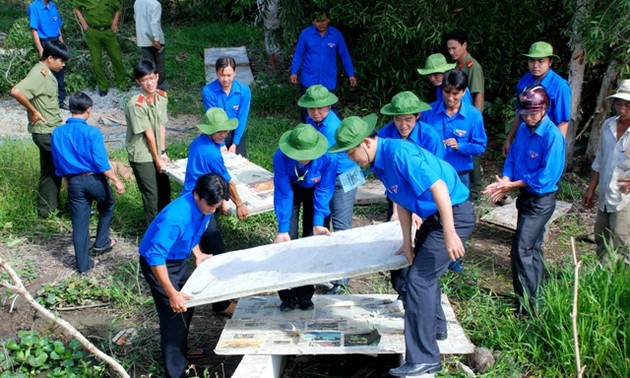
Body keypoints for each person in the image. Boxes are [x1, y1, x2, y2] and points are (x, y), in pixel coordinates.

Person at [329, 114, 475, 377]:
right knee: (422, 273)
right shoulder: (380, 163)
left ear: (365, 143)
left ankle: (424, 359)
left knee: (418, 281)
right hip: (432, 219)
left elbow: (439, 187)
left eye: (351, 153)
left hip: (452, 213)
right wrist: (407, 243)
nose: (351, 159)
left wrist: (451, 232)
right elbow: (403, 201)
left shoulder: (398, 154)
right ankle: (437, 328)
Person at [482, 85, 565, 313]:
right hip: (526, 198)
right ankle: (540, 294)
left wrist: (513, 185)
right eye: (524, 114)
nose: (528, 118)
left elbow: (546, 176)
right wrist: (504, 181)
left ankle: (528, 308)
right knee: (533, 248)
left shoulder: (552, 136)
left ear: (544, 109)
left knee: (521, 249)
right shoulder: (523, 130)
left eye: (533, 113)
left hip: (541, 200)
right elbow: (513, 158)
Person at [139, 173, 229, 378]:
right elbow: (155, 257)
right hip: (159, 265)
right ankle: (175, 372)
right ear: (196, 195)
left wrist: (197, 254)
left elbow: (195, 230)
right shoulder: (176, 218)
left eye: (216, 206)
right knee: (174, 314)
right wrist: (171, 292)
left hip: (177, 259)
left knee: (187, 304)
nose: (213, 210)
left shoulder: (205, 206)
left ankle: (181, 350)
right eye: (211, 206)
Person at [378, 91, 446, 300]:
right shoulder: (385, 135)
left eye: (408, 119)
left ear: (418, 116)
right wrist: (399, 209)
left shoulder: (430, 136)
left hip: (427, 198)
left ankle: (421, 290)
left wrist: (420, 211)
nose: (403, 125)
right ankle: (401, 290)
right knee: (399, 238)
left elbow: (437, 175)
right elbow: (386, 173)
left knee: (425, 241)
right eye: (398, 119)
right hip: (399, 196)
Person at [182, 107, 250, 315]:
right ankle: (221, 303)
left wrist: (220, 202)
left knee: (206, 248)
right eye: (219, 131)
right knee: (217, 252)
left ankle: (218, 294)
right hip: (200, 203)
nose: (223, 135)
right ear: (209, 130)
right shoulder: (211, 153)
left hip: (198, 195)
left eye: (225, 131)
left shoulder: (199, 142)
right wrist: (239, 204)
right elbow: (228, 182)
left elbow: (211, 176)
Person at [51, 92, 125, 273]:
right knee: (108, 204)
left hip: (74, 181)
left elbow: (58, 162)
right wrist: (116, 180)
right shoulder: (92, 131)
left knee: (79, 223)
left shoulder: (57, 132)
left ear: (70, 109)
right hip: (94, 179)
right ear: (88, 110)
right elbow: (101, 162)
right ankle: (101, 242)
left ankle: (84, 265)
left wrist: (66, 182)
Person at [298, 84, 355, 293]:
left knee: (341, 224)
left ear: (330, 105)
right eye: (312, 108)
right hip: (324, 174)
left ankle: (342, 281)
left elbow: (326, 161)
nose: (316, 112)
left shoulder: (332, 128)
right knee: (322, 220)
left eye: (321, 108)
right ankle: (324, 266)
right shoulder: (310, 122)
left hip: (343, 175)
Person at [273, 123, 336, 311]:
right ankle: (287, 296)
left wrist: (318, 222)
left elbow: (324, 190)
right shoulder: (281, 157)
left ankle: (305, 294)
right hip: (291, 192)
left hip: (315, 194)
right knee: (286, 242)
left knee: (311, 242)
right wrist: (283, 228)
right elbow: (284, 193)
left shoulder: (328, 158)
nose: (302, 160)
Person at [10, 40, 69, 218]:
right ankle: (77, 208)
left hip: (50, 130)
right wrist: (34, 111)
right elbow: (16, 91)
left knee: (50, 172)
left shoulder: (47, 72)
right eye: (61, 61)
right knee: (69, 165)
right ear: (50, 58)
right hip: (45, 132)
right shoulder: (39, 73)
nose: (63, 64)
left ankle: (47, 211)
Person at [582, 80, 630, 266]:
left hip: (625, 198)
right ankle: (603, 279)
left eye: (627, 105)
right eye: (619, 104)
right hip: (606, 192)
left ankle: (621, 283)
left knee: (622, 241)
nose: (622, 109)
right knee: (601, 236)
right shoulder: (609, 125)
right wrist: (590, 189)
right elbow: (600, 160)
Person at [421, 69, 487, 191]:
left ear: (464, 92)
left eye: (455, 93)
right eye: (446, 92)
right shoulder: (428, 112)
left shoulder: (473, 115)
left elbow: (480, 147)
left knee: (461, 209)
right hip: (434, 174)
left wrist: (460, 146)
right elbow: (419, 141)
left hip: (460, 175)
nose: (450, 98)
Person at [503, 41, 571, 155]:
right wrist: (509, 139)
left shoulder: (559, 86)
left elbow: (563, 122)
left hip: (545, 138)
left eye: (541, 61)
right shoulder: (525, 81)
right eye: (531, 61)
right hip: (524, 136)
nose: (535, 65)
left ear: (550, 62)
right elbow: (520, 113)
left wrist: (556, 151)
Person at [125, 59, 171, 224]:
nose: (150, 83)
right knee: (151, 196)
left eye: (152, 78)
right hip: (142, 155)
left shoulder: (161, 97)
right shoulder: (135, 104)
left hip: (157, 151)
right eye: (145, 80)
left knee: (165, 191)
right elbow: (148, 133)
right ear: (138, 81)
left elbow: (161, 125)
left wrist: (163, 153)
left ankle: (166, 225)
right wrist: (156, 158)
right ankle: (153, 232)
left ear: (157, 76)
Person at [290, 11, 357, 122]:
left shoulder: (336, 35)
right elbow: (298, 53)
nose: (321, 24)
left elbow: (344, 55)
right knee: (307, 107)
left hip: (328, 79)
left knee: (330, 107)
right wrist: (294, 72)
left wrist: (351, 74)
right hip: (309, 78)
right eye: (318, 21)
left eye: (323, 20)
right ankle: (306, 131)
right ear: (313, 21)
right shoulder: (306, 34)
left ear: (328, 20)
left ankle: (333, 132)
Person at [445, 29, 484, 199]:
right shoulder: (455, 66)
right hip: (454, 115)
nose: (451, 52)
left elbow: (478, 94)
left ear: (464, 45)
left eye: (454, 48)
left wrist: (476, 118)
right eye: (449, 49)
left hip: (467, 116)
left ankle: (475, 190)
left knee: (471, 152)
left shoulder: (473, 66)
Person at [73, 0, 126, 96]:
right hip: (93, 32)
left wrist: (114, 22)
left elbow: (118, 9)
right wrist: (84, 24)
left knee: (117, 57)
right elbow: (76, 7)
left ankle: (122, 83)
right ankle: (103, 87)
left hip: (108, 31)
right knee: (96, 61)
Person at [201, 56, 252, 157]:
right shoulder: (208, 91)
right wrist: (222, 144)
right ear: (216, 73)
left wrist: (235, 143)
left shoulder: (244, 91)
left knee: (240, 164)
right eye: (222, 75)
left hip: (236, 132)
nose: (225, 79)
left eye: (229, 75)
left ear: (235, 73)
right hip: (215, 131)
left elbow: (242, 118)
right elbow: (213, 119)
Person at [28, 0, 66, 109]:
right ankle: (46, 101)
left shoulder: (53, 5)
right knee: (46, 72)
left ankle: (60, 101)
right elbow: (34, 30)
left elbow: (57, 27)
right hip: (44, 42)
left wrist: (62, 44)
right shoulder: (34, 7)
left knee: (59, 71)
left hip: (56, 41)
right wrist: (40, 49)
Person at [134, 0, 166, 89]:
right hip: (155, 40)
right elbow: (154, 22)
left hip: (143, 38)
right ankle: (160, 84)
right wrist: (156, 39)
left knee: (148, 63)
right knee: (159, 62)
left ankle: (149, 83)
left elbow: (136, 18)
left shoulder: (137, 2)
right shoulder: (155, 4)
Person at [256, 0, 281, 70]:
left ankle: (275, 67)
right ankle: (274, 67)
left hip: (272, 24)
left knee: (272, 45)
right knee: (272, 45)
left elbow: (261, 12)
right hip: (271, 24)